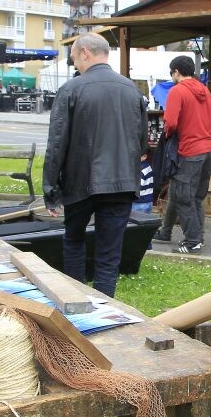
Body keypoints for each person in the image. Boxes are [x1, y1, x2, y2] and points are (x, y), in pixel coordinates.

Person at [42, 32, 147, 297]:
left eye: (74, 57)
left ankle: (75, 301)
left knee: (74, 240)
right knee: (110, 253)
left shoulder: (71, 89)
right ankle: (105, 307)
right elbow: (142, 141)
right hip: (121, 182)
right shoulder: (130, 89)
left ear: (85, 52)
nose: (74, 63)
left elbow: (57, 143)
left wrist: (50, 188)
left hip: (80, 181)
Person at [152, 55, 211, 254]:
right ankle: (167, 232)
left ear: (176, 71)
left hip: (189, 151)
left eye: (172, 73)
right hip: (208, 151)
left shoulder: (177, 91)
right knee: (190, 196)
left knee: (181, 196)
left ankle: (193, 241)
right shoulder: (205, 91)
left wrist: (169, 135)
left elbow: (170, 123)